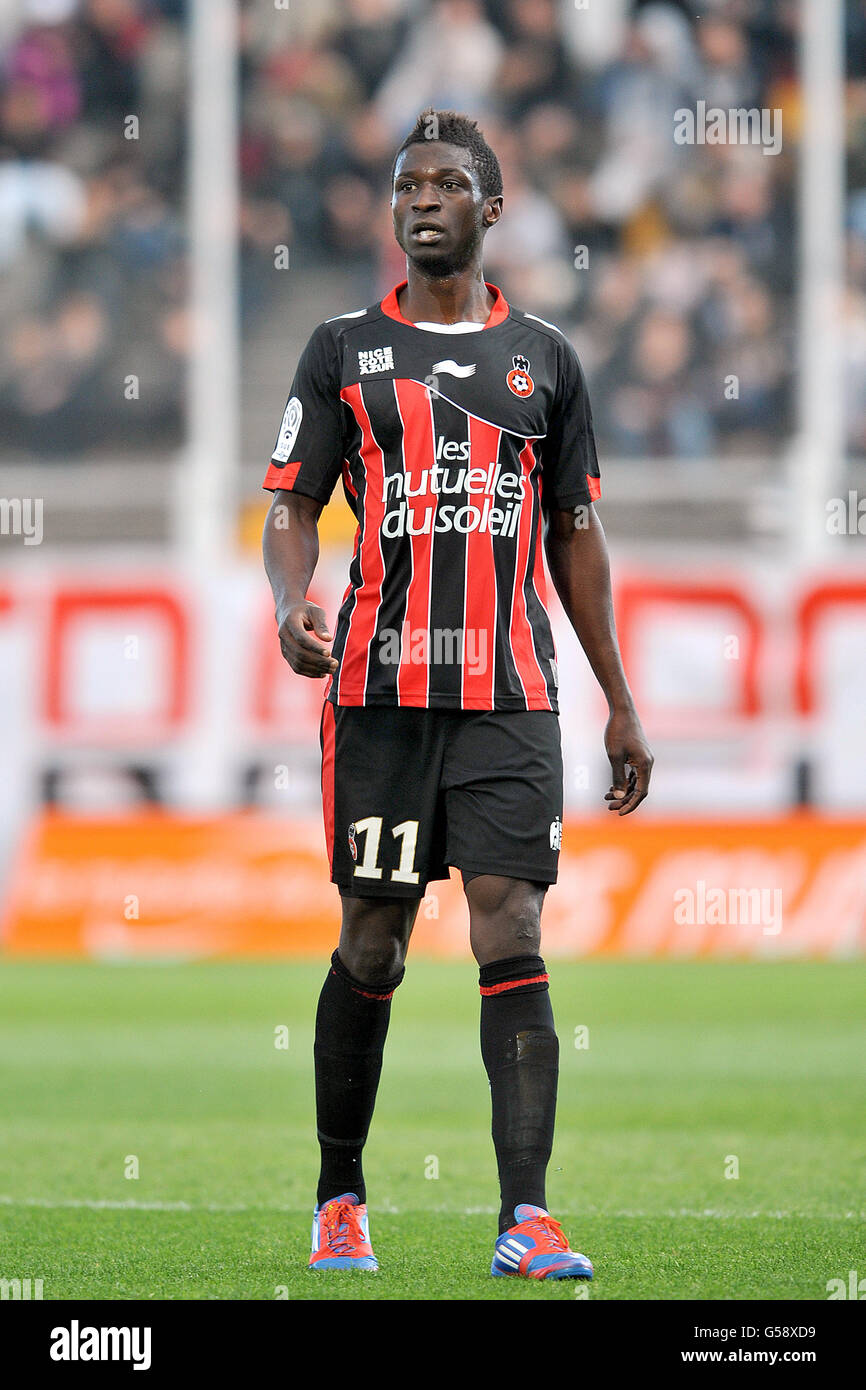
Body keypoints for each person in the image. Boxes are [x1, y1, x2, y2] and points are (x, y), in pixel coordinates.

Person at [262, 109, 653, 1281]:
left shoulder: (545, 359)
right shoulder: (341, 350)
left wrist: (618, 699)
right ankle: (340, 1194)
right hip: (378, 694)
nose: (420, 199)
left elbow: (577, 536)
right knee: (372, 942)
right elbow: (289, 502)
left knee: (513, 921)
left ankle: (523, 1216)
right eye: (404, 185)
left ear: (490, 209)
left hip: (508, 693)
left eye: (444, 184)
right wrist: (293, 602)